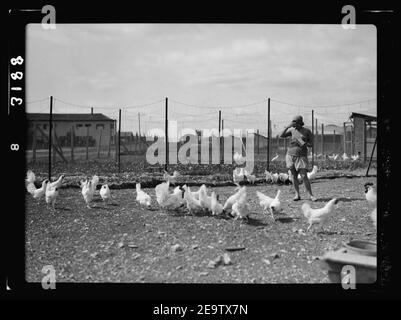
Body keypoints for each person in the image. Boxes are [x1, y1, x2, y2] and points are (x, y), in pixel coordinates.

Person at [280, 115, 316, 201]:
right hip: (290, 154)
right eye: (293, 122)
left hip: (301, 155)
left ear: (300, 122)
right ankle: (297, 194)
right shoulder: (292, 130)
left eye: (295, 122)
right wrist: (287, 127)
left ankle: (311, 195)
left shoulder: (307, 131)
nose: (293, 124)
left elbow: (311, 144)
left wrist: (305, 143)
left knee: (304, 175)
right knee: (293, 175)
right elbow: (281, 135)